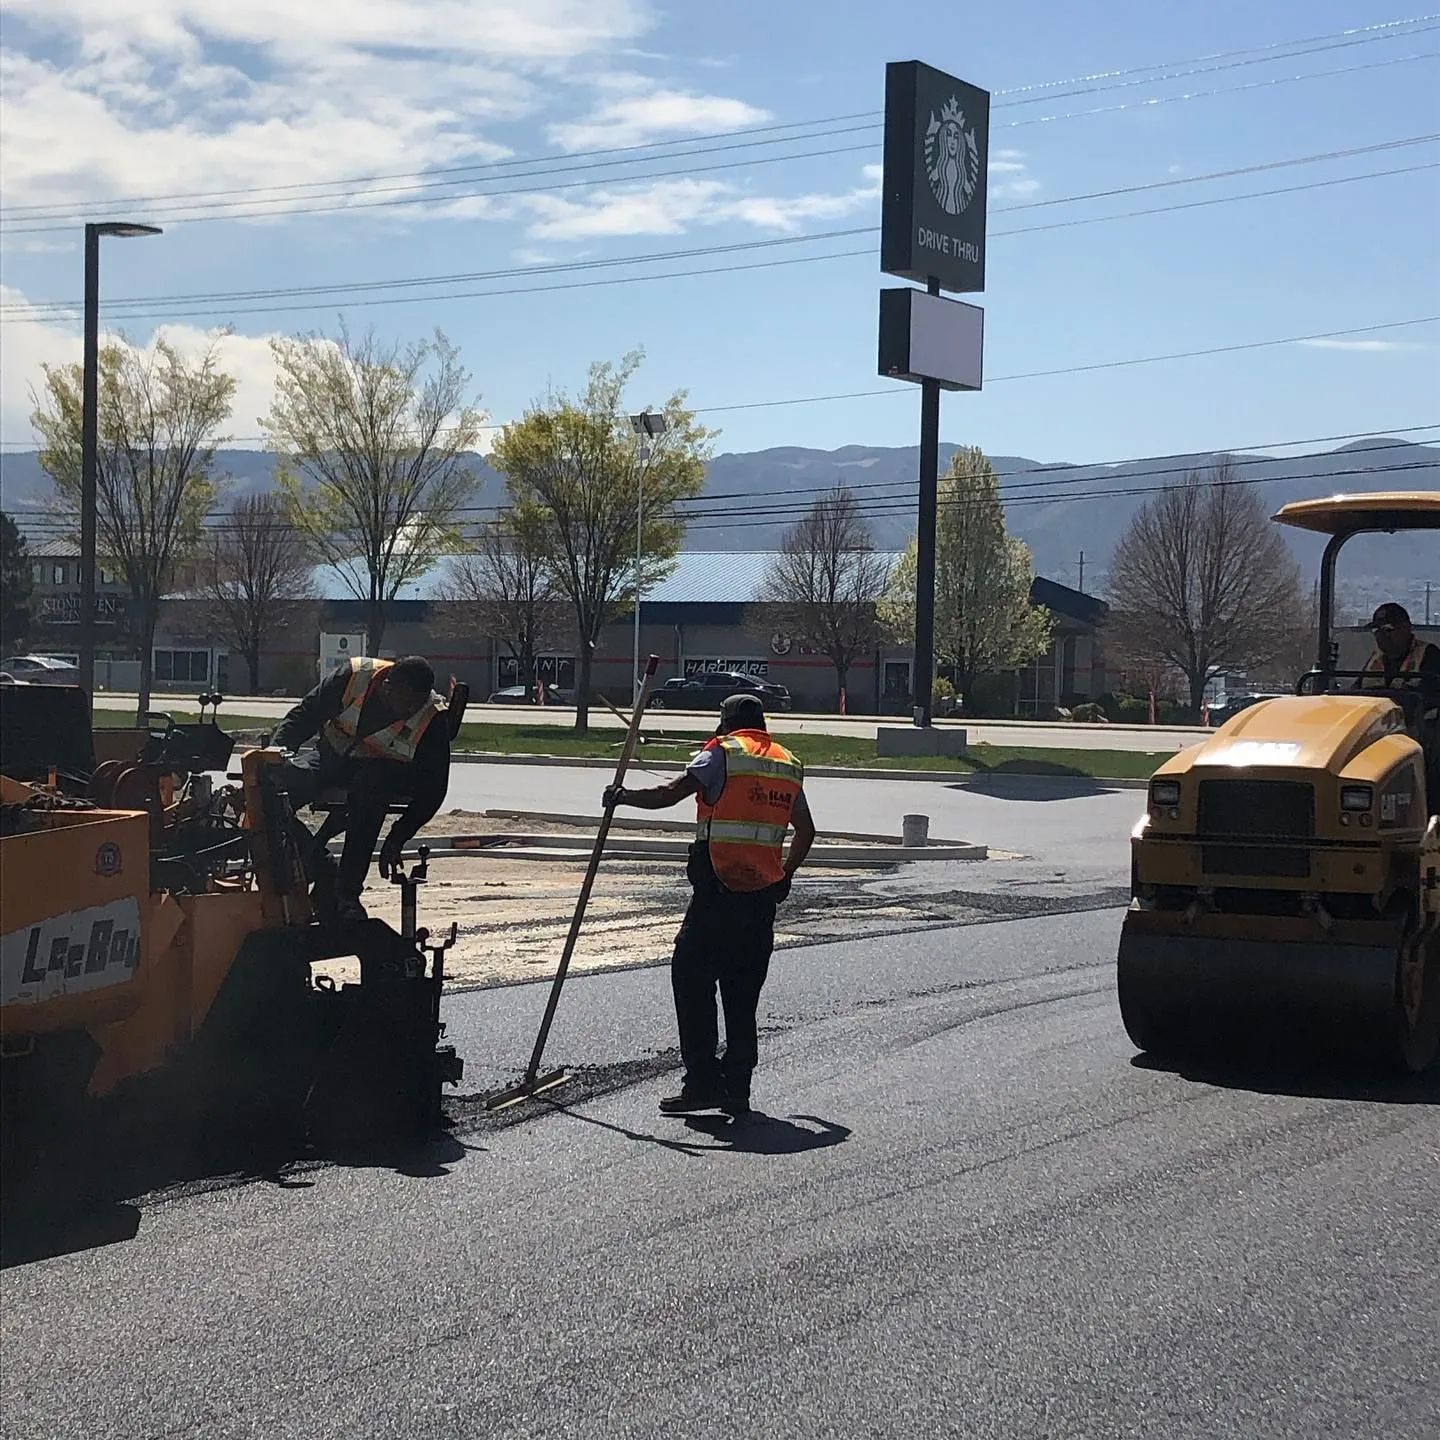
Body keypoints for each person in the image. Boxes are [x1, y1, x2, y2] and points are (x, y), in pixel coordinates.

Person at [605, 693, 815, 1118]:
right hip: (760, 898)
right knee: (742, 996)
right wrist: (785, 873)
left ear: (726, 723)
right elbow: (806, 830)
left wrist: (622, 797)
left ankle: (702, 1083)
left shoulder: (722, 754)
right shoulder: (787, 764)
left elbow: (671, 793)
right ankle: (737, 1087)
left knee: (692, 978)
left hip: (717, 893)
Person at [271, 655, 450, 922]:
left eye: (417, 703)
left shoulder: (432, 716)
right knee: (276, 792)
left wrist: (396, 838)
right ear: (387, 686)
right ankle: (319, 865)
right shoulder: (354, 676)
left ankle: (346, 894)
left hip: (381, 772)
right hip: (331, 756)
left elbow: (434, 790)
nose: (412, 709)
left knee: (370, 795)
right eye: (407, 701)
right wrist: (276, 755)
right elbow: (305, 715)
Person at [1358, 603, 1440, 687]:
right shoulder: (1376, 657)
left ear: (1406, 628)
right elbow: (1356, 690)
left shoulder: (1428, 653)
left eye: (1387, 629)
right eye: (1376, 629)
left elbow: (1431, 695)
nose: (1380, 635)